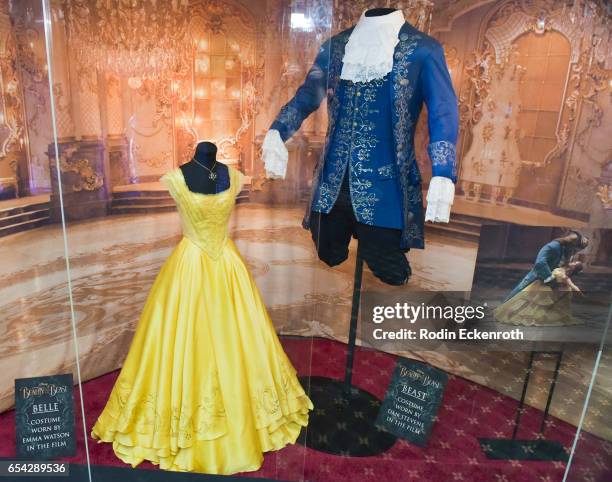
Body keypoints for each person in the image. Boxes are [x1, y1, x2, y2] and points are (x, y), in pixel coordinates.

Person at [91, 144, 313, 474]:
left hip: (227, 266)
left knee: (237, 339)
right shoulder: (177, 178)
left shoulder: (234, 177)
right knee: (183, 340)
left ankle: (245, 417)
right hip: (189, 266)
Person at [503, 230, 588, 302]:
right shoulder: (553, 246)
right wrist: (550, 277)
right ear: (571, 244)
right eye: (575, 248)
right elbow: (540, 262)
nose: (575, 251)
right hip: (538, 276)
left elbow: (562, 264)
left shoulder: (566, 251)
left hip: (548, 281)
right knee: (518, 295)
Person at [494, 261, 584, 326]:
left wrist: (580, 293)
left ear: (573, 268)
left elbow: (572, 285)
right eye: (574, 261)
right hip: (538, 285)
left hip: (545, 289)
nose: (573, 262)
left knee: (534, 305)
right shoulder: (563, 266)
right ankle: (512, 313)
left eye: (574, 263)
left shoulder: (565, 276)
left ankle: (523, 317)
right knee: (525, 301)